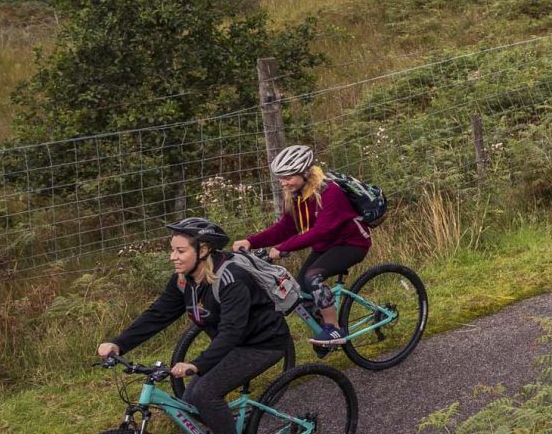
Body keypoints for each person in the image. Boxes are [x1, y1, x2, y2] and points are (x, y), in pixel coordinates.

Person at [97, 218, 290, 434]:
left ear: (204, 249)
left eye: (180, 251)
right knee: (190, 403)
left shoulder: (231, 279)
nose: (173, 257)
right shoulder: (184, 280)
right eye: (172, 250)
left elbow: (231, 332)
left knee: (204, 395)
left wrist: (197, 364)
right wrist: (118, 344)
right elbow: (158, 314)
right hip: (232, 345)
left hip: (263, 344)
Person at [233, 145, 370, 357]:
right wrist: (251, 242)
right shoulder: (296, 195)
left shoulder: (329, 192)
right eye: (280, 178)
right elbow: (285, 228)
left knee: (313, 278)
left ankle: (333, 329)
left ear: (305, 173)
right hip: (327, 245)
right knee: (297, 288)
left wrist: (281, 249)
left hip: (351, 243)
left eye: (287, 177)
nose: (283, 182)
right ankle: (321, 329)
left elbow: (319, 232)